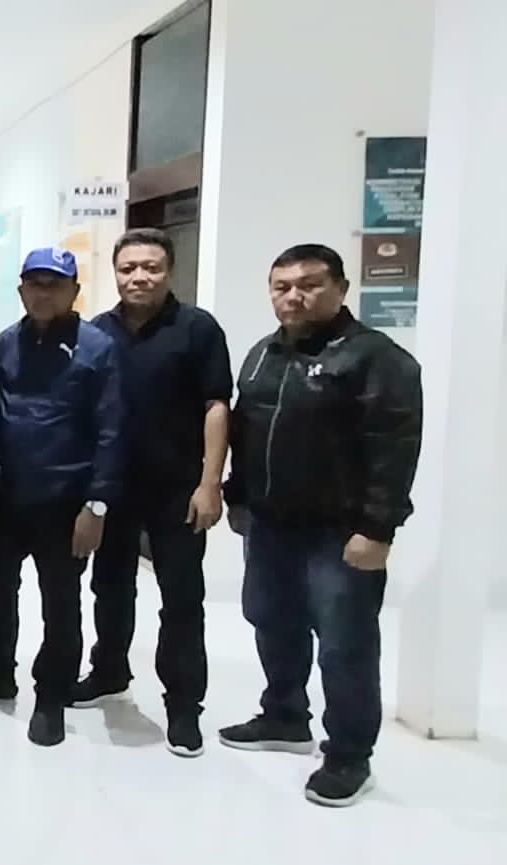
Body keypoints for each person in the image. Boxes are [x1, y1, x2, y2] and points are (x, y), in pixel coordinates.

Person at [218, 243, 422, 808]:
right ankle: (284, 716)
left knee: (344, 644)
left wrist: (377, 529)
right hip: (270, 524)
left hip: (340, 533)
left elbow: (394, 448)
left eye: (308, 285)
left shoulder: (376, 359)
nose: (294, 296)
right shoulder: (262, 354)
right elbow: (245, 430)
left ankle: (350, 754)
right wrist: (238, 496)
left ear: (340, 288)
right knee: (271, 620)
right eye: (281, 286)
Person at [74, 228, 233, 758]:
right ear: (115, 273)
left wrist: (210, 483)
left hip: (177, 490)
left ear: (169, 271)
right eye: (128, 268)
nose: (139, 277)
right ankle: (109, 671)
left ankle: (184, 707)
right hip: (113, 488)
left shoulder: (197, 329)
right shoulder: (97, 331)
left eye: (151, 267)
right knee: (110, 587)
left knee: (182, 599)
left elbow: (216, 406)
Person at [0, 246, 124, 747]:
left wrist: (97, 504)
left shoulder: (98, 348)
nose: (43, 293)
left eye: (55, 285)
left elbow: (112, 430)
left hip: (65, 502)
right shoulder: (5, 343)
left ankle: (52, 695)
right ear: (21, 290)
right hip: (5, 497)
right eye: (35, 284)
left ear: (75, 291)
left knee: (61, 604)